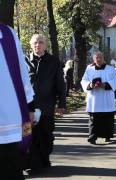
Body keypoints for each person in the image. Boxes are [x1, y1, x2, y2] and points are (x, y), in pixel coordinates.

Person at [25, 34, 66, 172]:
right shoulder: (24, 61)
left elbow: (60, 84)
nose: (38, 45)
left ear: (45, 45)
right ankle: (31, 163)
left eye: (41, 42)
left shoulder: (53, 61)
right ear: (31, 45)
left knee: (46, 135)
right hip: (27, 107)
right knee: (28, 135)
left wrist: (62, 104)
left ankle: (44, 159)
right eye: (35, 43)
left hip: (47, 106)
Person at [0, 23, 35, 180]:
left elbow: (22, 72)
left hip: (11, 116)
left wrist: (30, 107)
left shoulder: (8, 34)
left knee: (11, 166)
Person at [81, 51, 116, 144]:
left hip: (106, 98)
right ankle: (92, 137)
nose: (98, 59)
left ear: (103, 58)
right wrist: (90, 85)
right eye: (96, 58)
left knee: (107, 119)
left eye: (100, 57)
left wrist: (104, 85)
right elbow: (83, 80)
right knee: (93, 119)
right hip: (94, 99)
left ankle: (107, 135)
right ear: (94, 59)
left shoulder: (110, 69)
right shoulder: (89, 69)